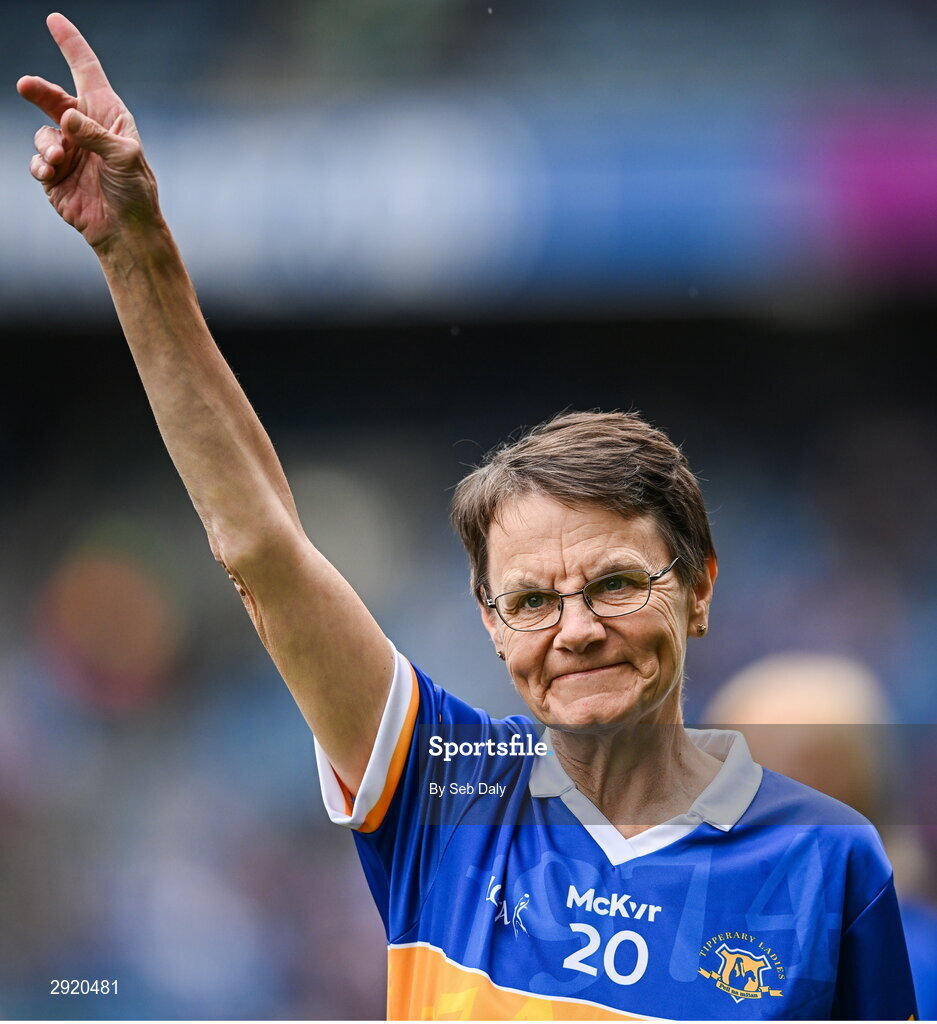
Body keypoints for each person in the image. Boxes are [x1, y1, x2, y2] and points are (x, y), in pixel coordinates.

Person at [19, 14, 917, 1020]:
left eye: (615, 582)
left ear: (699, 587)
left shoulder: (830, 863)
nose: (574, 629)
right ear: (488, 624)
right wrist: (133, 248)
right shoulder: (445, 790)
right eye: (530, 598)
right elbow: (262, 546)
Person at [705, 653, 937, 1020]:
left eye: (809, 765)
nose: (780, 789)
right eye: (754, 762)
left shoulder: (907, 947)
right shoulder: (682, 913)